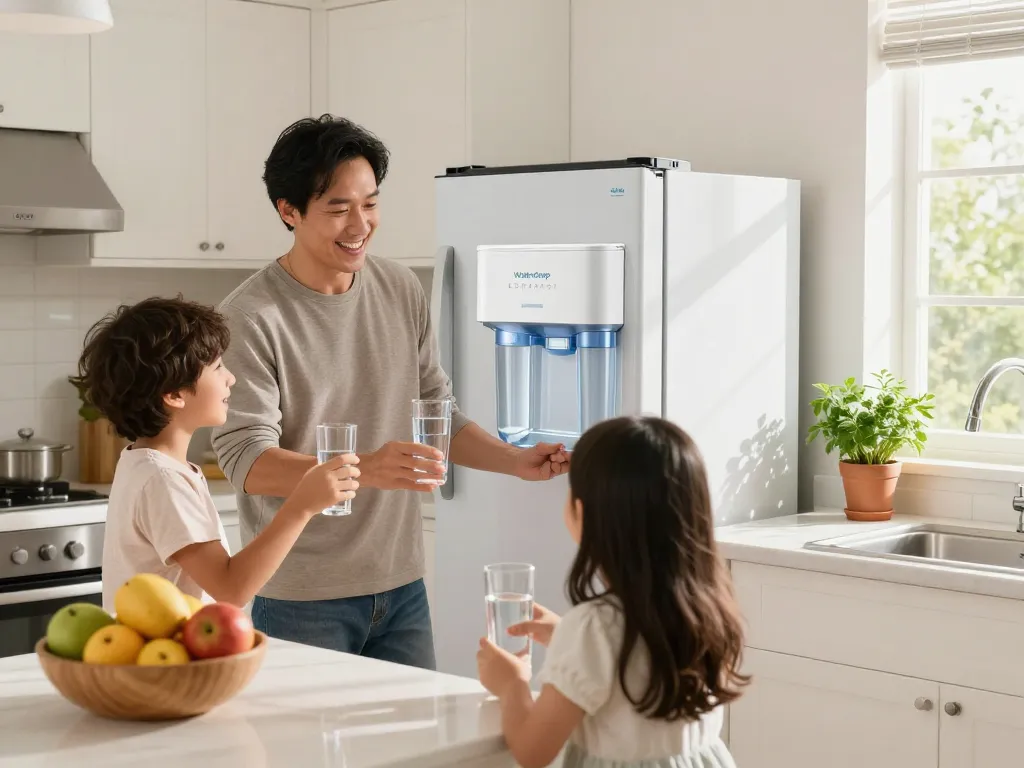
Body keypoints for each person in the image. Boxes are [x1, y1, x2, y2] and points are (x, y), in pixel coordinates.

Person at [211, 115, 568, 671]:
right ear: (288, 211)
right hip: (304, 597)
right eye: (337, 208)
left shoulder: (399, 288)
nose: (360, 224)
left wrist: (514, 460)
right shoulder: (250, 316)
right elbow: (246, 461)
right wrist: (366, 469)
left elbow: (438, 413)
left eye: (370, 204)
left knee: (413, 755)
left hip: (402, 586)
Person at [476, 416, 745, 768]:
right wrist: (565, 638)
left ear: (583, 513)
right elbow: (637, 666)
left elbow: (532, 750)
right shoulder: (706, 607)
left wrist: (512, 684)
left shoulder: (594, 627)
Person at [73, 297, 361, 613]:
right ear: (174, 394)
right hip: (167, 660)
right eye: (218, 367)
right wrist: (302, 506)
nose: (230, 378)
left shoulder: (146, 464)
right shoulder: (163, 480)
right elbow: (231, 588)